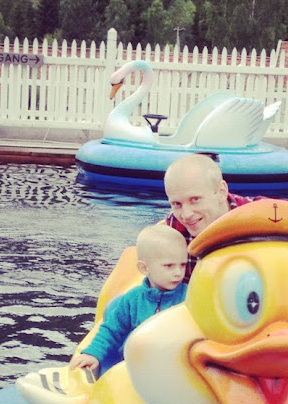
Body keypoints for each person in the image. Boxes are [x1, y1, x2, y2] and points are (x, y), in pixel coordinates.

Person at [70, 224, 188, 374]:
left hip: (173, 366)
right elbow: (111, 330)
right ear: (144, 268)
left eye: (182, 265)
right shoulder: (132, 300)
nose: (178, 273)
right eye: (169, 266)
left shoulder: (188, 297)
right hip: (132, 367)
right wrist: (92, 354)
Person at [163, 154, 254, 281]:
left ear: (221, 192)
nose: (186, 215)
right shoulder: (174, 227)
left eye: (195, 199)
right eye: (177, 204)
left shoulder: (258, 215)